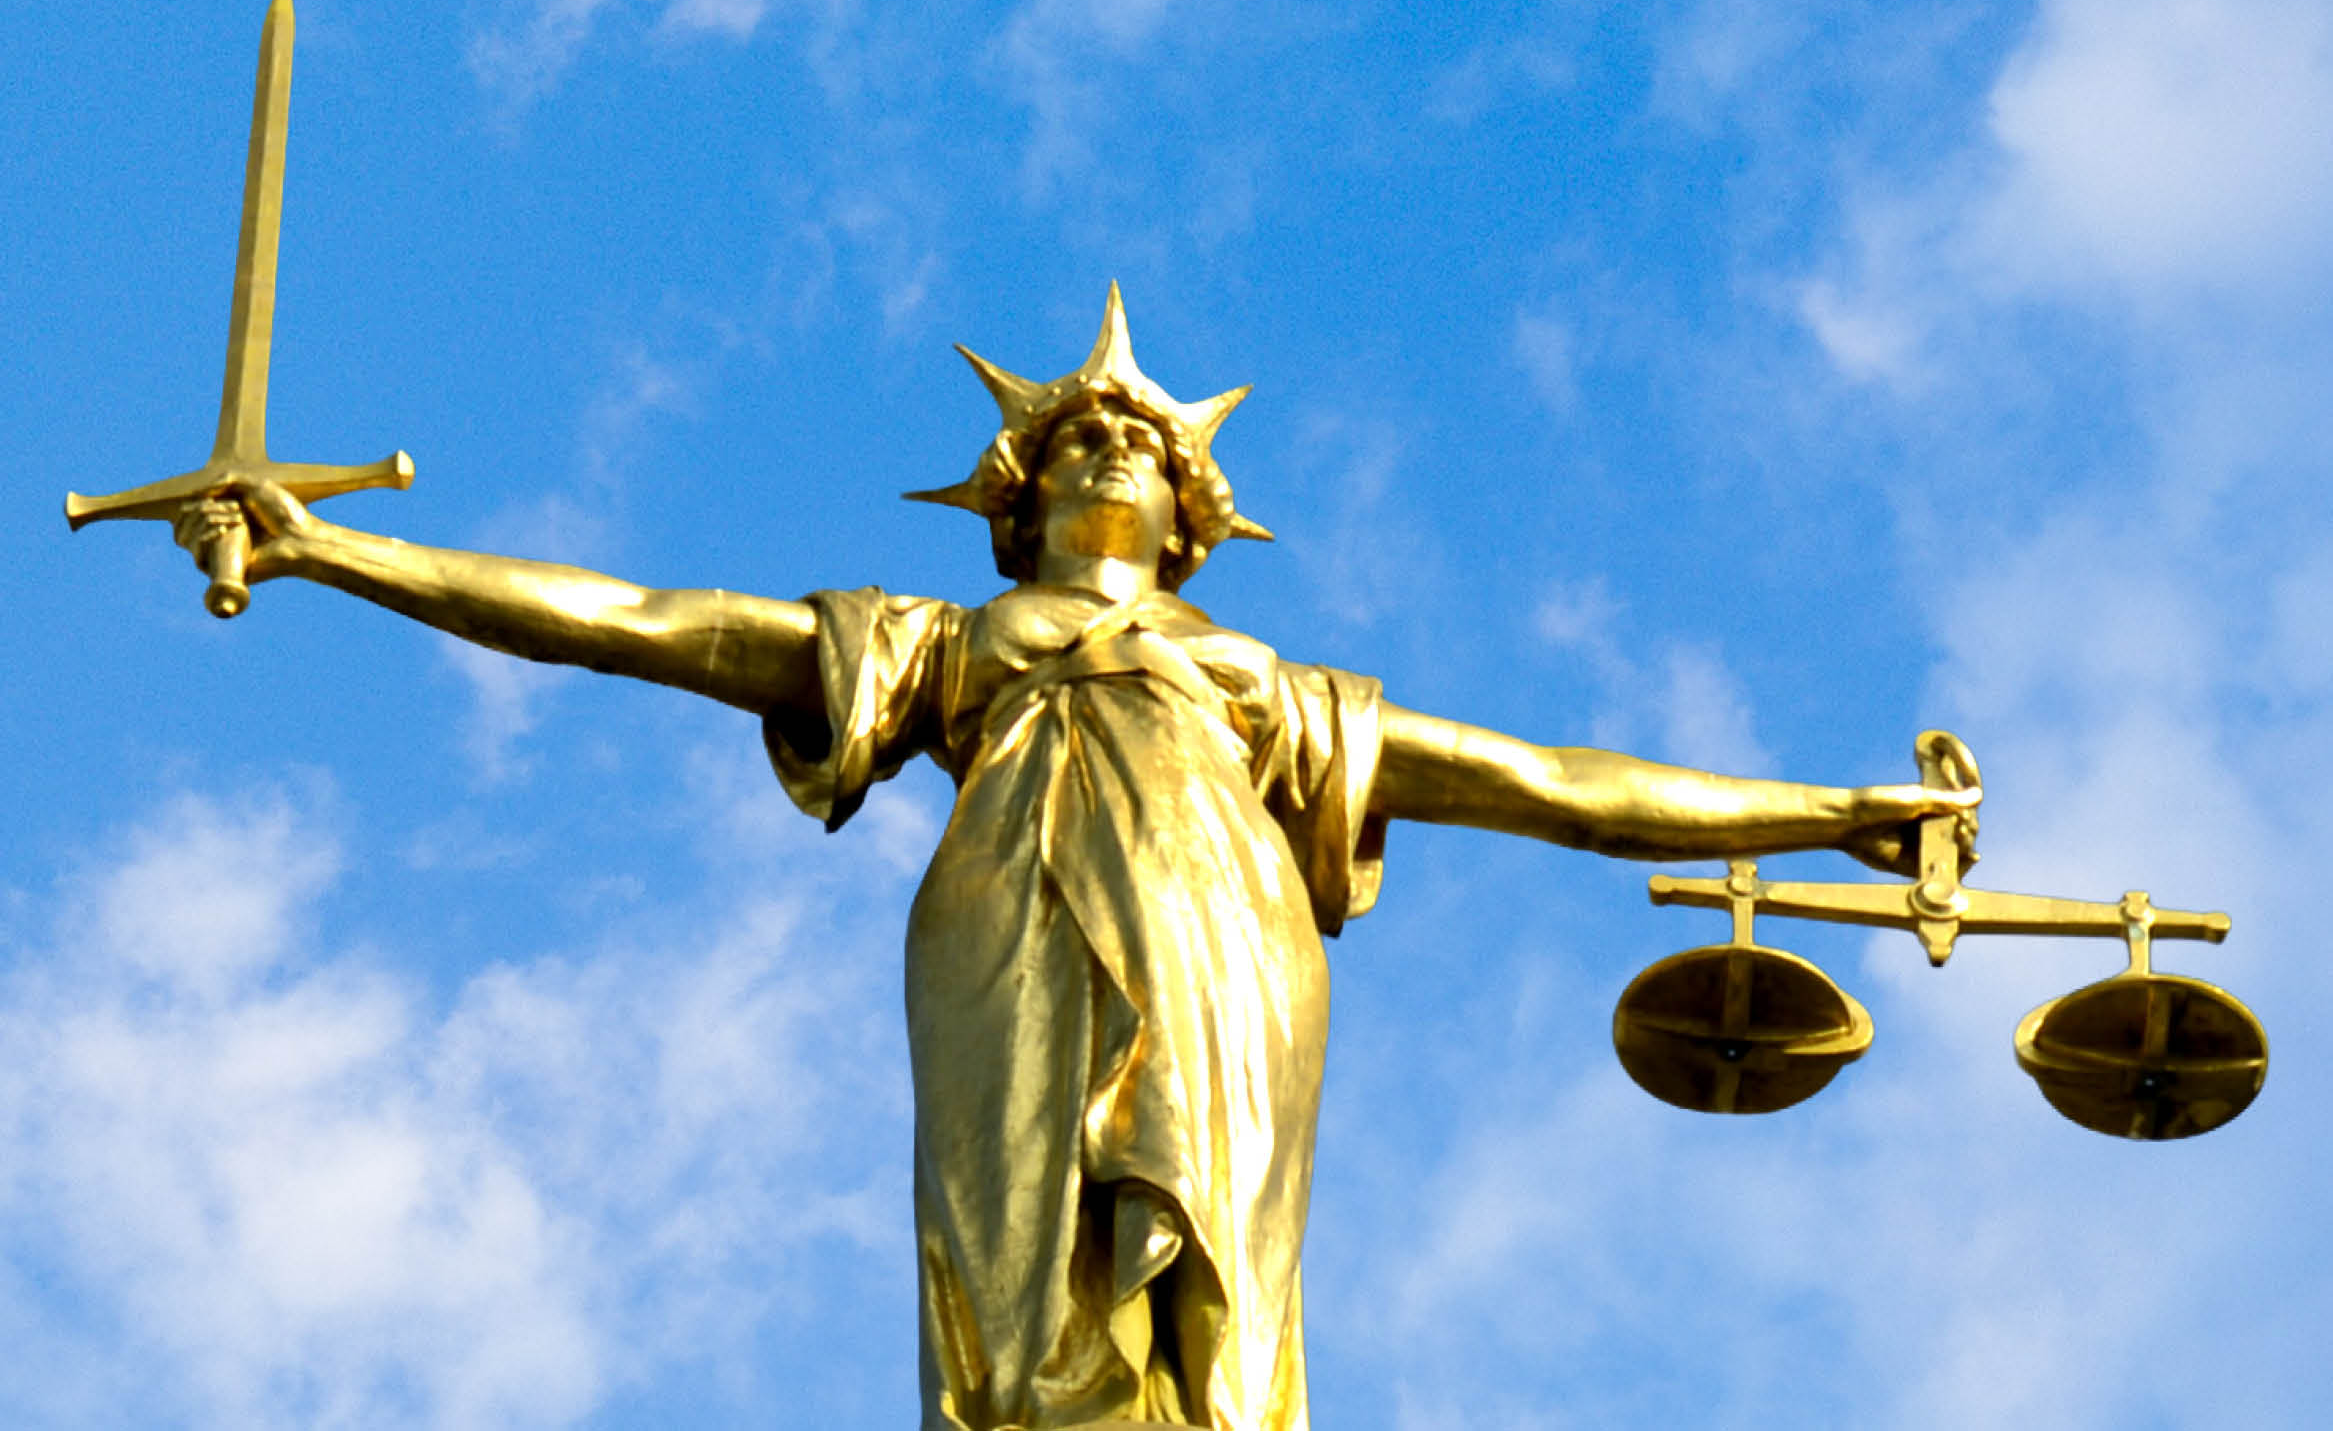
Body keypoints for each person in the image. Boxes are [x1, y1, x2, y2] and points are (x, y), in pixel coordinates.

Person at [178, 287, 1974, 1431]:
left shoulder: (1264, 690)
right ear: (1015, 491)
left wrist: (1827, 813)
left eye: (1136, 434)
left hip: (1221, 949)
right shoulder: (945, 649)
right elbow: (646, 623)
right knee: (1020, 1257)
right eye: (1073, 432)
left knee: (1216, 1283)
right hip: (1002, 931)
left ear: (1197, 515)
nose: (1107, 436)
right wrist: (343, 557)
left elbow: (1552, 780)